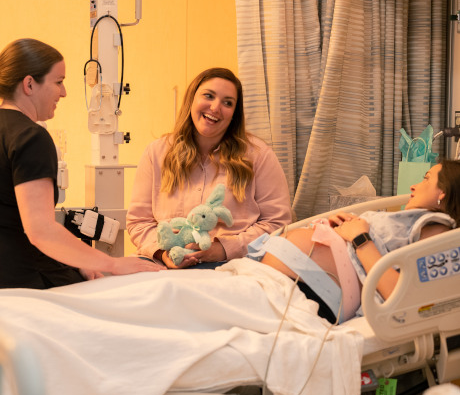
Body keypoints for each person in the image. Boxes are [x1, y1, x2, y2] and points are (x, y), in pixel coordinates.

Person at [0, 38, 164, 289]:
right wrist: (113, 264)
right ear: (30, 84)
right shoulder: (30, 137)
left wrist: (79, 258)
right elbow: (40, 231)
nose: (64, 92)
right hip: (26, 281)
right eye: (58, 82)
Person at [255, 160, 460, 323]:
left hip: (310, 290)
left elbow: (404, 297)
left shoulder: (441, 233)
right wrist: (343, 229)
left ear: (443, 191)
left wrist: (359, 239)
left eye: (426, 179)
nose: (414, 186)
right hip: (289, 279)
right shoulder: (418, 222)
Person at [126, 67, 291, 269]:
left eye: (227, 103)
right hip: (163, 264)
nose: (215, 107)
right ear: (192, 99)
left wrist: (223, 249)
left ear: (234, 114)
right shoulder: (156, 153)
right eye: (208, 96)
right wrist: (164, 253)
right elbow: (139, 222)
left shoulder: (259, 156)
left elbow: (277, 224)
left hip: (232, 265)